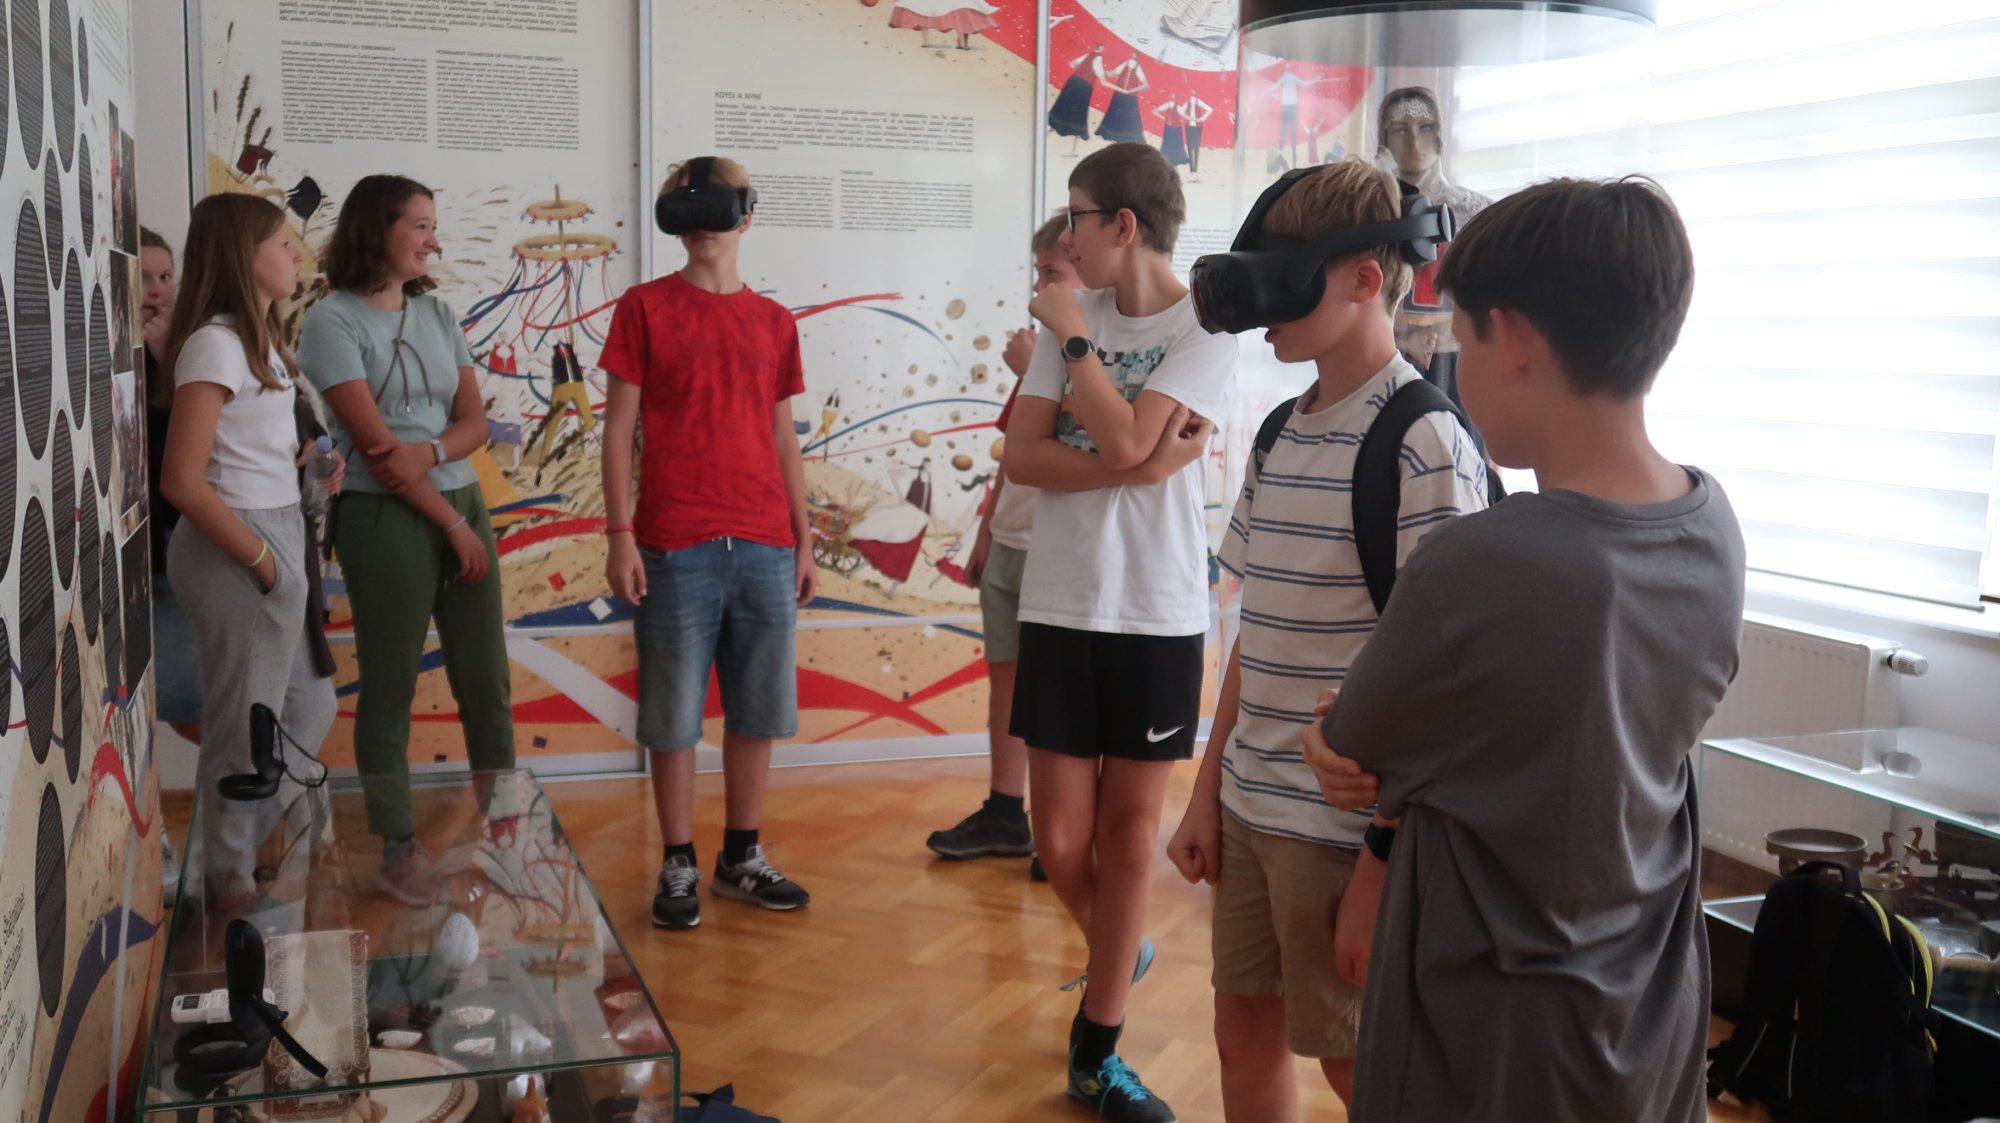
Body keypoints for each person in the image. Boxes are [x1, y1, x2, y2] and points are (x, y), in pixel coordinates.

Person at [1302, 177, 1743, 1123]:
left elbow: (1355, 744)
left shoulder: (1481, 561)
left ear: (1515, 341)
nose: (1457, 367)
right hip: (1650, 996)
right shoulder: (1714, 526)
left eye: (1462, 340)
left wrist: (1347, 749)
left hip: (1493, 1022)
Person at [1164, 158, 1490, 1120]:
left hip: (1341, 830)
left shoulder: (1424, 442)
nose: (1262, 314)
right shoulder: (1278, 433)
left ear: (1362, 278)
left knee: (1359, 1065)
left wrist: (1382, 857)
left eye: (1284, 281)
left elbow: (1445, 675)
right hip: (1251, 805)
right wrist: (1207, 790)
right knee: (1242, 1031)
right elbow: (1256, 630)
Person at [1003, 142, 1233, 1123]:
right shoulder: (1074, 313)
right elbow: (1023, 456)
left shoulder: (1204, 330)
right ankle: (1116, 947)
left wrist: (1077, 355)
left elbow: (1129, 434)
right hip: (1060, 599)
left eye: (1078, 216)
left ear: (1123, 225)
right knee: (1059, 840)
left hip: (1156, 608)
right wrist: (1132, 465)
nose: (1068, 235)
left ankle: (1097, 1050)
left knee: (1127, 834)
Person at [600, 156, 816, 932]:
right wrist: (619, 534)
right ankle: (678, 859)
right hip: (674, 541)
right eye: (682, 209)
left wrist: (803, 538)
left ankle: (741, 856)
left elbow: (783, 436)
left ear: (745, 215)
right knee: (672, 715)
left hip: (763, 540)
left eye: (713, 207)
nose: (699, 224)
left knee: (757, 710)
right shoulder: (644, 307)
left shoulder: (774, 321)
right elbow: (618, 429)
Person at [298, 174, 514, 906]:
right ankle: (397, 848)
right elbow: (377, 453)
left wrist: (433, 455)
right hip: (384, 515)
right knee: (390, 688)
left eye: (433, 224)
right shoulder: (330, 322)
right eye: (419, 225)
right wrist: (449, 520)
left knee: (486, 681)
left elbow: (474, 424)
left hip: (459, 498)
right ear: (377, 229)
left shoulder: (439, 312)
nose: (433, 239)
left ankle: (508, 831)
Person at [158, 195, 339, 908]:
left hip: (275, 530)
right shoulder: (215, 343)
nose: (296, 254)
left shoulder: (258, 340)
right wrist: (264, 563)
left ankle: (221, 864)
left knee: (307, 707)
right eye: (282, 243)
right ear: (243, 254)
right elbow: (182, 480)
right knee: (242, 730)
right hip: (237, 544)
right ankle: (227, 884)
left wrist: (308, 463)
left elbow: (251, 445)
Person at [926, 211, 1081, 874]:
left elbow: (1099, 435)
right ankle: (1005, 810)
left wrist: (1028, 368)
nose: (1040, 287)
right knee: (1008, 683)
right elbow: (1013, 451)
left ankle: (1065, 829)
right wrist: (987, 530)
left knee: (1058, 692)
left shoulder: (1091, 351)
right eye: (1039, 272)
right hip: (1012, 538)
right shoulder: (1045, 351)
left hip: (1058, 546)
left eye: (1053, 272)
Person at [1375, 86, 1492, 401]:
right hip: (1381, 357)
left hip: (1453, 361)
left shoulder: (1476, 212)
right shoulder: (1367, 213)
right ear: (1384, 140)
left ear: (1439, 134)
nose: (1414, 142)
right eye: (1400, 130)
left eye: (1425, 128)